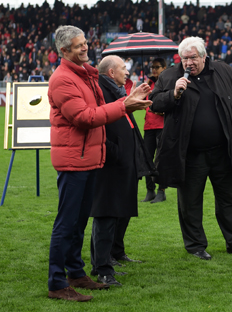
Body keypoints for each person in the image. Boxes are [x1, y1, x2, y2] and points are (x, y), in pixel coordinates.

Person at [47, 25, 152, 302]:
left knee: (79, 223)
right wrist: (124, 105)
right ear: (64, 50)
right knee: (66, 224)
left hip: (89, 159)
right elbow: (84, 117)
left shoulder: (84, 75)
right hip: (73, 161)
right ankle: (57, 283)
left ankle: (76, 273)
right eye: (79, 45)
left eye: (85, 43)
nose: (85, 47)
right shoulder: (62, 80)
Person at [150, 36, 232, 260]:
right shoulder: (170, 75)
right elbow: (154, 104)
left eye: (192, 58)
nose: (188, 63)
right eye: (184, 58)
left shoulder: (223, 71)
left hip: (223, 150)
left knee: (229, 198)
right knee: (190, 201)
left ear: (204, 56)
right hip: (189, 153)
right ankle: (195, 245)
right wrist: (174, 93)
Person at [89, 55, 156, 287]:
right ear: (111, 73)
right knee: (106, 215)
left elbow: (119, 118)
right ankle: (102, 268)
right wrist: (115, 151)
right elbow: (99, 123)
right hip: (111, 163)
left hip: (122, 161)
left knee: (115, 213)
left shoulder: (115, 90)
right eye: (123, 69)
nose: (127, 72)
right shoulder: (100, 90)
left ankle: (110, 258)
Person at [142, 57, 169, 203]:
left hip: (162, 126)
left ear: (164, 68)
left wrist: (162, 111)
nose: (153, 70)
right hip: (149, 126)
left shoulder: (167, 82)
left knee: (161, 159)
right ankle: (150, 190)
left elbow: (173, 102)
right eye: (152, 67)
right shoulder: (149, 83)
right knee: (147, 158)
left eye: (157, 67)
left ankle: (161, 190)